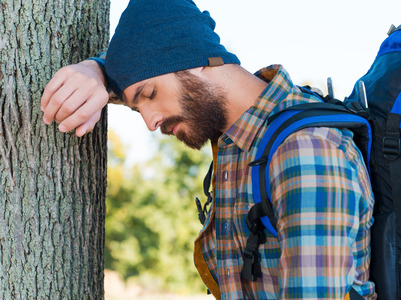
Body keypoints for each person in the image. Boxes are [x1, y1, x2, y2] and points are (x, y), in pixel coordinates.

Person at [41, 0, 375, 298]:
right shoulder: (239, 141)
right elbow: (141, 67)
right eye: (135, 107)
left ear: (194, 60)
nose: (149, 122)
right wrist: (95, 71)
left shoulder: (304, 151)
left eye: (150, 94)